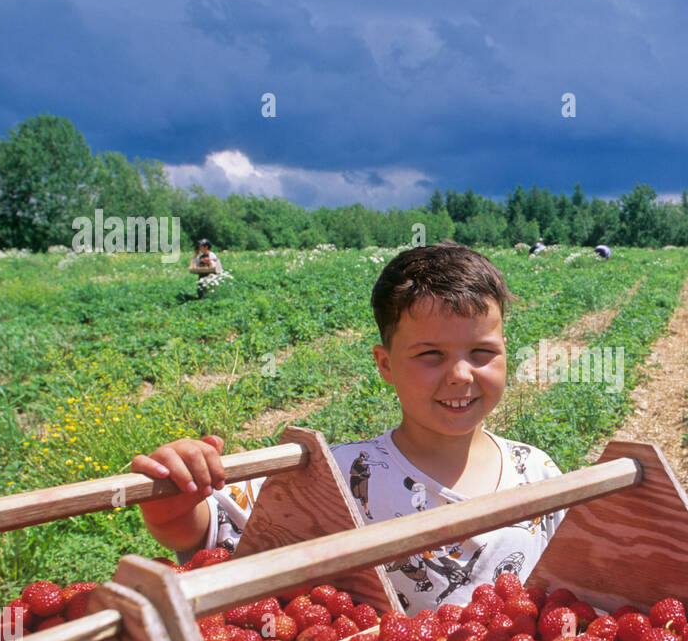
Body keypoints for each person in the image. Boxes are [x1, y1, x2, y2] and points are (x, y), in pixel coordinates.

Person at [132, 243, 565, 614]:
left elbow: (586, 576)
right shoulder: (339, 475)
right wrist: (176, 494)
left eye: (482, 351)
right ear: (385, 364)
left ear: (506, 351)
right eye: (430, 354)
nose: (460, 375)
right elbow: (206, 530)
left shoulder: (539, 475)